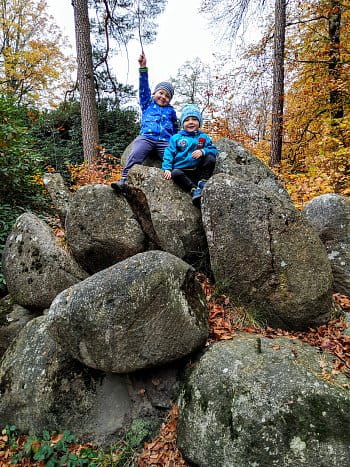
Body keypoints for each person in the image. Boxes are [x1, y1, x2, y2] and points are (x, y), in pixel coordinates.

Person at [111, 52, 178, 190]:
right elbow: (143, 87)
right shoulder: (147, 104)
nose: (163, 97)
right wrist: (143, 68)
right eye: (161, 93)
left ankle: (182, 180)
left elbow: (175, 128)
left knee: (172, 158)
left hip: (164, 141)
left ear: (170, 100)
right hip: (147, 137)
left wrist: (175, 142)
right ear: (154, 93)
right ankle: (124, 179)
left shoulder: (171, 111)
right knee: (136, 153)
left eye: (167, 96)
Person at [162, 104, 218, 207]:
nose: (191, 122)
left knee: (210, 158)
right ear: (183, 123)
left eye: (194, 119)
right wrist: (167, 168)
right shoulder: (176, 137)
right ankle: (193, 189)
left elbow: (213, 150)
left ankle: (203, 182)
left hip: (198, 169)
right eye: (187, 120)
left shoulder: (203, 137)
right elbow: (169, 152)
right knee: (175, 173)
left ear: (199, 122)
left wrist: (203, 151)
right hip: (183, 171)